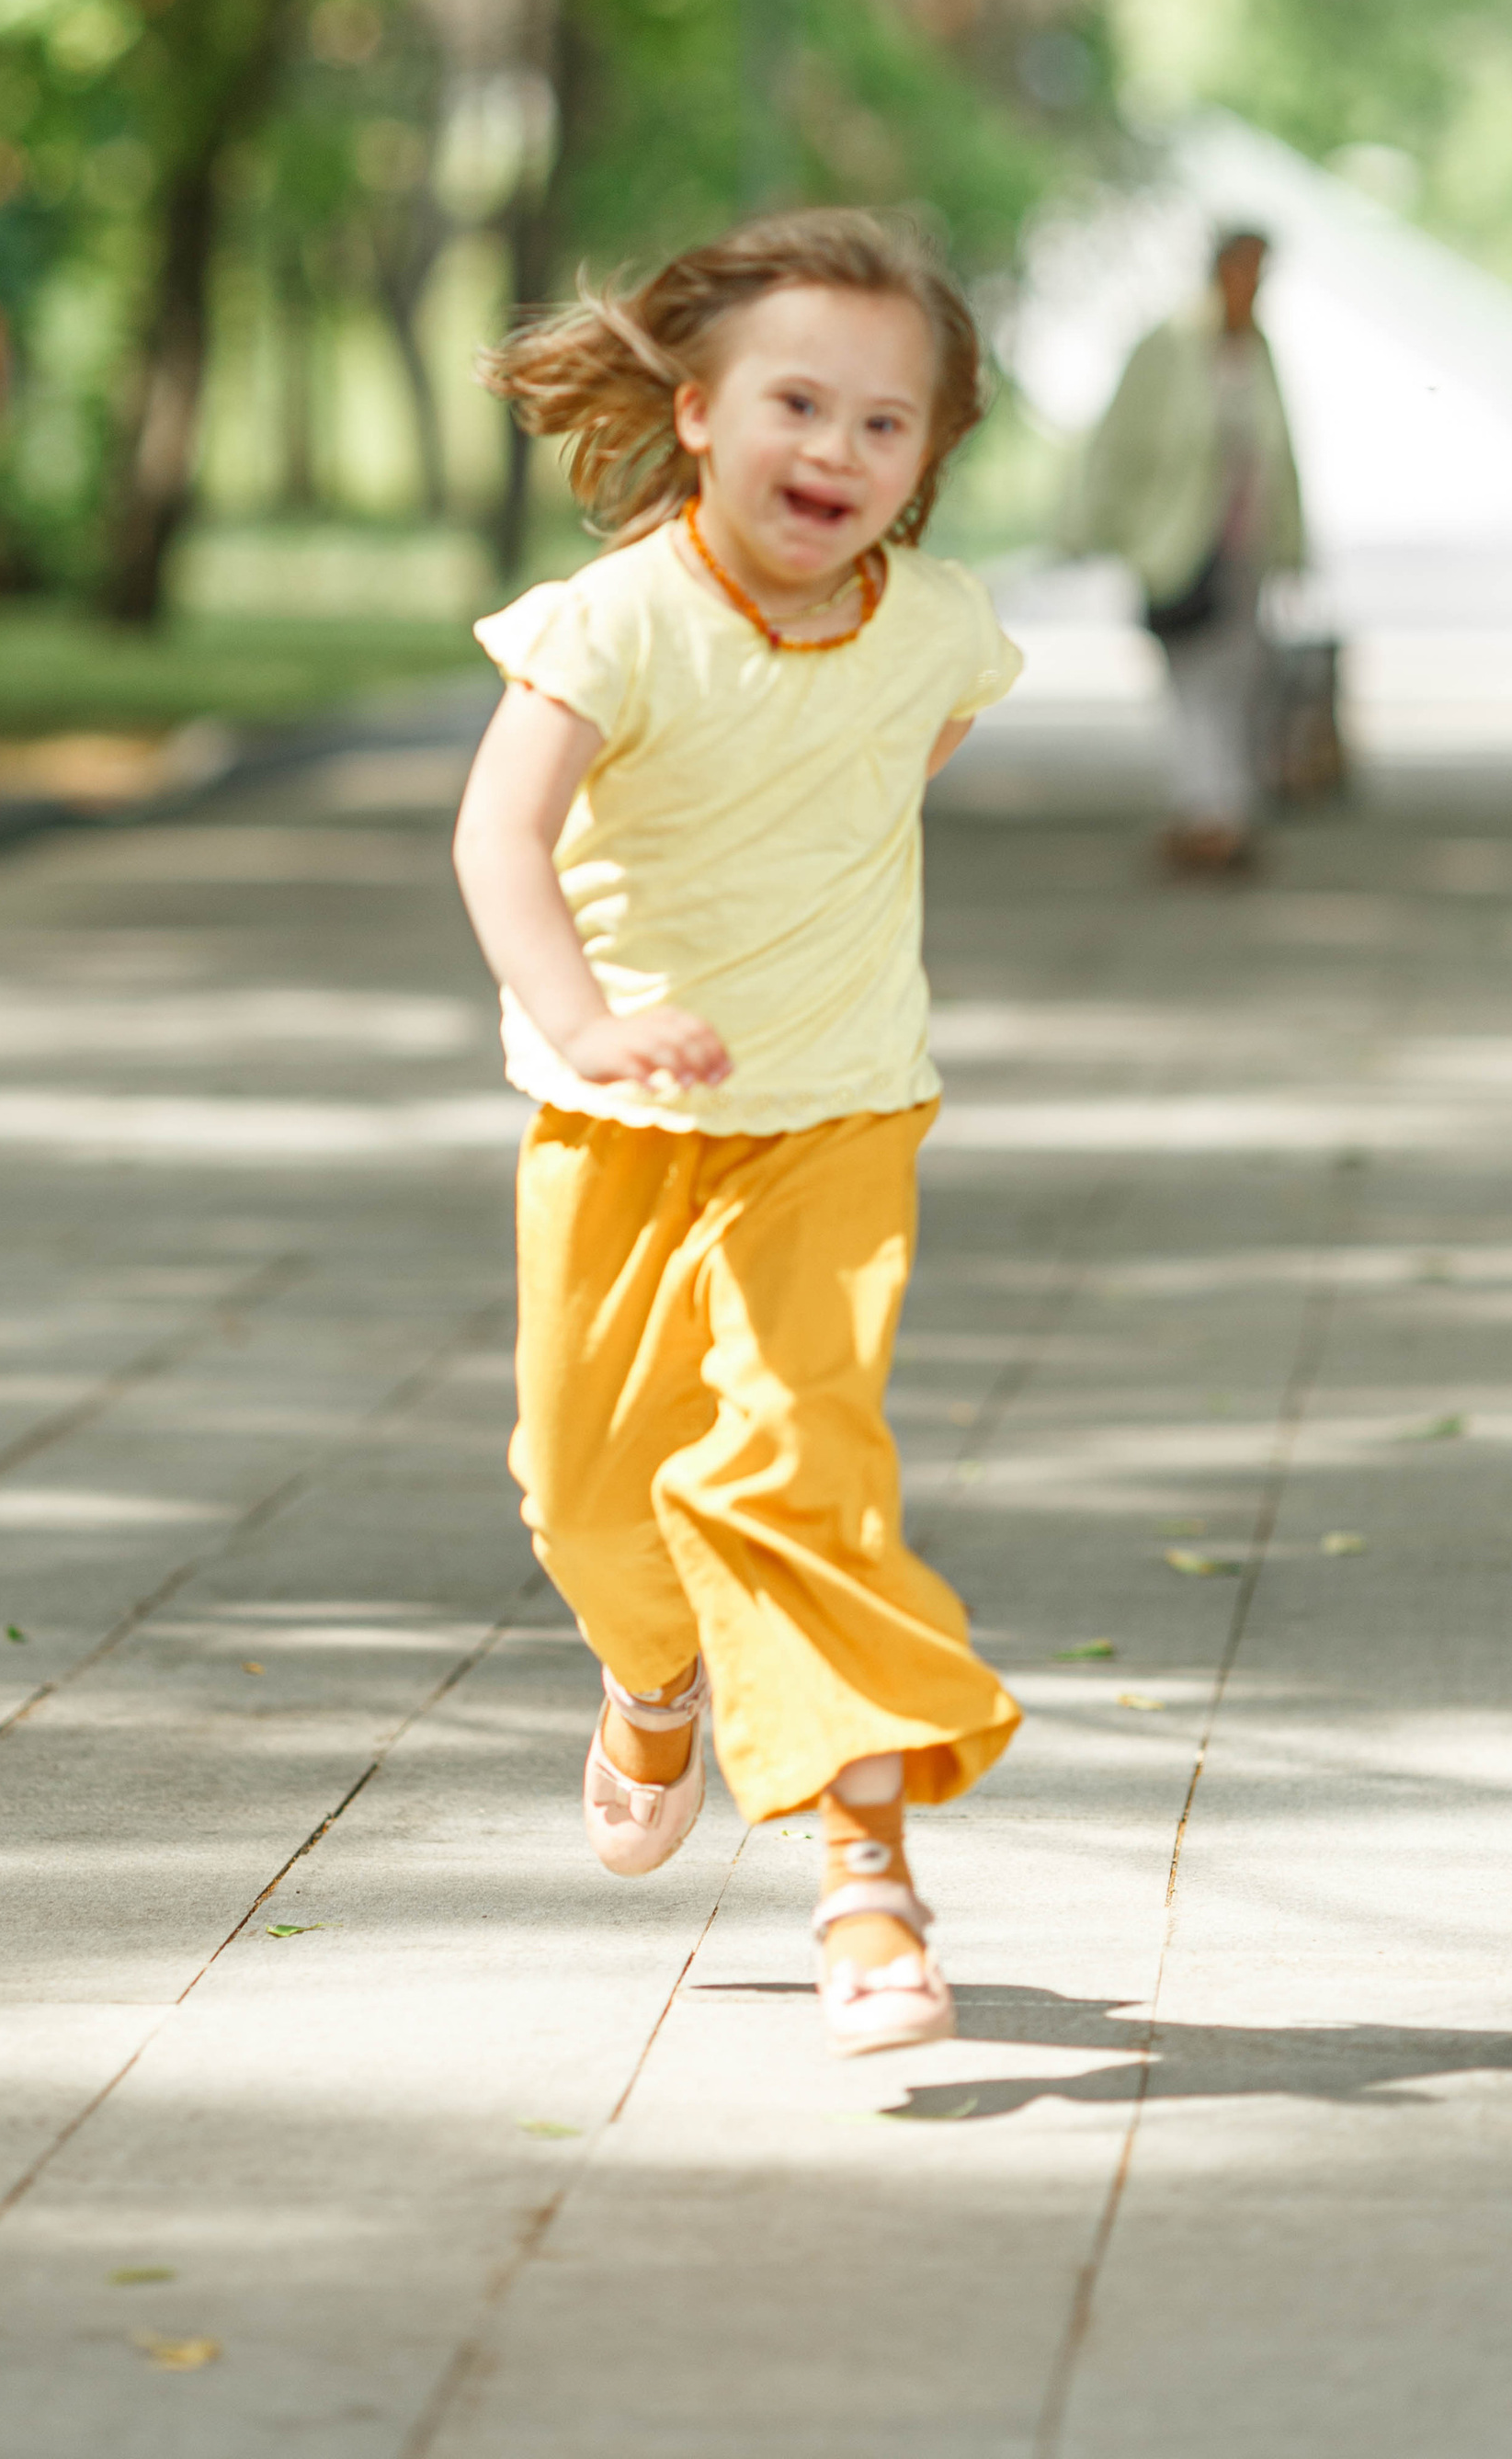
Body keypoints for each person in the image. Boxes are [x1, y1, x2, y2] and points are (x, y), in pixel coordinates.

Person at [451, 208, 1024, 2061]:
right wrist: (590, 1021)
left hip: (838, 1119)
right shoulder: (614, 620)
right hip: (616, 1117)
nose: (836, 454)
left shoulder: (930, 629)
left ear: (926, 458)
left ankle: (864, 1886)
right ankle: (647, 1677)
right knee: (583, 1498)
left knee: (794, 1471)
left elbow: (881, 761)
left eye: (884, 426)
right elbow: (495, 842)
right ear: (695, 412)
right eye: (797, 403)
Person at [1083, 225, 1304, 871]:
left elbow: (1282, 457)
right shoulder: (1169, 348)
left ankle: (1219, 809)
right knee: (1189, 678)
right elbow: (1120, 442)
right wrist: (1107, 527)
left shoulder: (1259, 353)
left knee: (1239, 679)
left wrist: (1292, 545)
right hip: (1175, 547)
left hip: (1243, 551)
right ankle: (1206, 810)